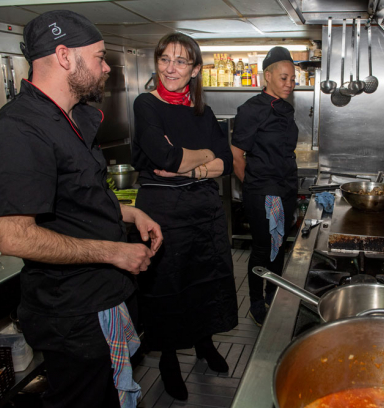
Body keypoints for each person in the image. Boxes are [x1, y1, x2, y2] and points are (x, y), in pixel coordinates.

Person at [0, 10, 163, 408]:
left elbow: (81, 197)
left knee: (113, 393)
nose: (106, 68)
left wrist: (127, 214)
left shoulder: (72, 118)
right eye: (99, 57)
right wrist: (114, 251)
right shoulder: (17, 129)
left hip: (105, 296)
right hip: (74, 314)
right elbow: (14, 237)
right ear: (65, 56)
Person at [131, 32, 237, 401]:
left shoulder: (202, 112)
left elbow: (226, 162)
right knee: (168, 287)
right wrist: (204, 155)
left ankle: (204, 344)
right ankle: (169, 361)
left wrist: (194, 166)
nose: (171, 68)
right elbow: (166, 158)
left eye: (180, 62)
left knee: (206, 280)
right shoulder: (146, 104)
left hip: (204, 212)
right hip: (163, 213)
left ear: (195, 70)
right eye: (165, 59)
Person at [231, 47, 298, 327]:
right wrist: (255, 188)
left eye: (293, 79)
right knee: (263, 247)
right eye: (284, 78)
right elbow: (236, 155)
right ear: (267, 75)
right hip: (265, 193)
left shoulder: (286, 108)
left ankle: (273, 294)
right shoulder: (251, 110)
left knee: (279, 246)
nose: (289, 84)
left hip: (286, 189)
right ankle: (256, 303)